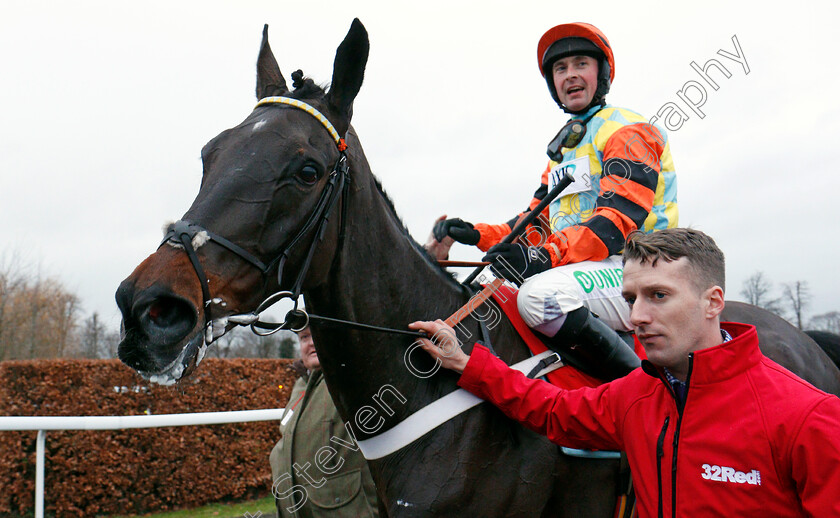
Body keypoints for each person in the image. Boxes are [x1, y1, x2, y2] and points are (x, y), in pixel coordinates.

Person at [410, 228, 840, 516]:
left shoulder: (811, 418)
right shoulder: (635, 394)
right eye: (631, 298)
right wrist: (468, 364)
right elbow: (553, 410)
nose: (636, 317)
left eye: (658, 295)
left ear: (713, 302)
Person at [429, 23, 678, 380]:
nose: (570, 75)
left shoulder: (629, 130)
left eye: (580, 64)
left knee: (539, 298)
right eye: (561, 69)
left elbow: (614, 225)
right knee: (483, 288)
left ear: (602, 73)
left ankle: (645, 389)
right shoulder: (563, 152)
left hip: (641, 268)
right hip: (585, 267)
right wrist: (476, 234)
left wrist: (543, 256)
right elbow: (536, 222)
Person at [269, 326, 379, 517]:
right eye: (304, 337)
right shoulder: (300, 387)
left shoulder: (353, 376)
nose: (311, 342)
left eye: (317, 333)